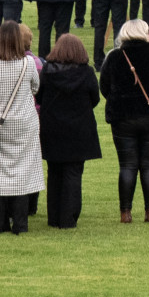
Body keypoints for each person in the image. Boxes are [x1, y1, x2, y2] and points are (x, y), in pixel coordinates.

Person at [97, 19, 149, 224]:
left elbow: (104, 86)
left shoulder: (114, 56)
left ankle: (125, 213)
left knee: (127, 166)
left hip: (122, 118)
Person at [0, 20, 43, 235]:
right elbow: (35, 87)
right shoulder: (28, 64)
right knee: (23, 172)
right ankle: (20, 224)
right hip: (23, 124)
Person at [38, 33, 101, 229]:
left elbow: (39, 97)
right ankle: (68, 218)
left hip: (53, 128)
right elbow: (95, 99)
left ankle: (54, 217)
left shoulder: (47, 72)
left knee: (54, 171)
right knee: (73, 173)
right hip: (78, 130)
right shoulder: (87, 73)